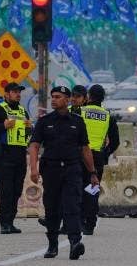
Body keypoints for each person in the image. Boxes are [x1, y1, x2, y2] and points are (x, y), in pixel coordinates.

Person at [29, 86, 97, 260]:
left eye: (58, 97)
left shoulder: (77, 122)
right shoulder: (44, 121)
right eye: (52, 96)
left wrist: (92, 172)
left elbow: (85, 148)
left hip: (72, 169)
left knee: (72, 206)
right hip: (51, 169)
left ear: (67, 100)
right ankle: (52, 245)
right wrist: (33, 169)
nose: (53, 100)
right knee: (52, 208)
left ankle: (75, 242)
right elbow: (35, 145)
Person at [0, 81, 31, 234]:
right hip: (5, 154)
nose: (18, 94)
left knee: (16, 190)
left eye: (19, 92)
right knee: (6, 190)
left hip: (20, 154)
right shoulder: (0, 108)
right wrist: (3, 126)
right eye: (15, 92)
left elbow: (28, 132)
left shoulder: (23, 111)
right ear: (7, 94)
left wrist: (30, 128)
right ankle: (4, 224)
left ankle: (11, 221)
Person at [79, 84, 120, 235]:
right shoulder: (108, 116)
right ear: (103, 98)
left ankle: (80, 220)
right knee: (93, 190)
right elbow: (115, 141)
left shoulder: (80, 111)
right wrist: (105, 153)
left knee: (78, 188)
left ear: (89, 96)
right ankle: (90, 224)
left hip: (80, 155)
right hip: (97, 158)